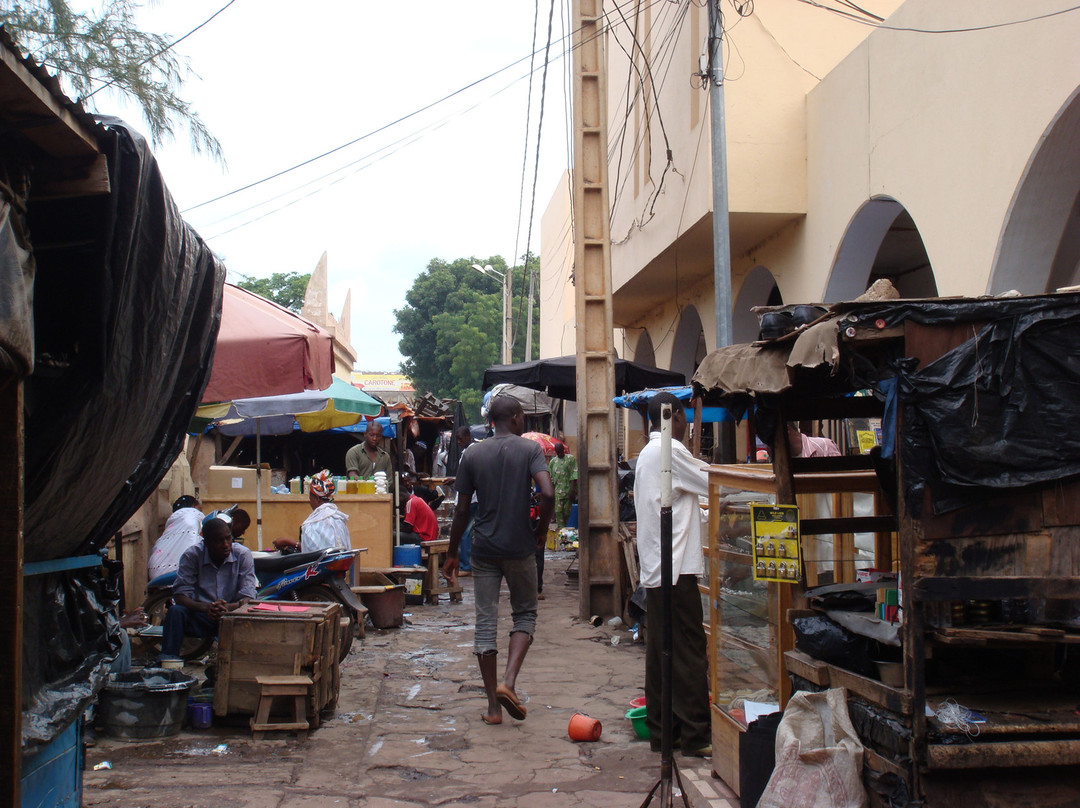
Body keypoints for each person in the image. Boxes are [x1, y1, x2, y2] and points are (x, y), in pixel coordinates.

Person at [443, 396, 554, 725]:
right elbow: (547, 493)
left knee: (485, 625)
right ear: (517, 418)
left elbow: (462, 510)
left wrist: (451, 554)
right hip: (520, 546)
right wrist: (540, 531)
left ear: (491, 420)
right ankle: (509, 682)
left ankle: (493, 707)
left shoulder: (472, 454)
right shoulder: (529, 450)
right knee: (525, 615)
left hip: (484, 548)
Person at [633, 391, 712, 757]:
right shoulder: (670, 452)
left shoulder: (647, 455)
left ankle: (664, 732)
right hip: (676, 568)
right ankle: (696, 735)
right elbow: (713, 484)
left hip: (657, 568)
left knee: (661, 652)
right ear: (675, 417)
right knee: (689, 651)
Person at [160, 517, 258, 661]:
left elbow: (248, 597)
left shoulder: (242, 555)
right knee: (175, 612)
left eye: (228, 539)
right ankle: (168, 661)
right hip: (201, 614)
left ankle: (243, 663)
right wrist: (208, 608)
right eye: (219, 541)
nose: (226, 545)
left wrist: (226, 608)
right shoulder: (191, 556)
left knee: (255, 613)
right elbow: (180, 596)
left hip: (232, 614)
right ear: (206, 543)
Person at [273, 470, 351, 553]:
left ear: (317, 498)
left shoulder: (316, 522)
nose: (310, 501)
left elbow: (314, 552)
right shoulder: (338, 518)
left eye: (310, 498)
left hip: (325, 564)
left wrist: (287, 541)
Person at [147, 495, 203, 581]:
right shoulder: (192, 519)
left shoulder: (174, 524)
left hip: (154, 572)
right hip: (181, 576)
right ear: (194, 506)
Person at [453, 425, 477, 574]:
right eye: (457, 440)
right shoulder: (468, 452)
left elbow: (468, 479)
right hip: (471, 499)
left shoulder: (471, 453)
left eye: (461, 439)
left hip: (470, 500)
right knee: (468, 532)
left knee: (464, 532)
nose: (459, 442)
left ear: (468, 437)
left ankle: (466, 566)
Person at [548, 441, 578, 528]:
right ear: (555, 452)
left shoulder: (570, 459)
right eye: (558, 452)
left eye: (561, 451)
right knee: (558, 513)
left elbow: (574, 473)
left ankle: (564, 531)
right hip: (557, 493)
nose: (560, 453)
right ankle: (562, 532)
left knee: (566, 513)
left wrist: (572, 490)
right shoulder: (553, 462)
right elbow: (550, 478)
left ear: (563, 450)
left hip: (568, 492)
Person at [401, 475, 439, 542]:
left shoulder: (411, 502)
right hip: (430, 535)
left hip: (425, 537)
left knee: (393, 535)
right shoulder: (416, 499)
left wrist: (398, 529)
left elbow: (408, 528)